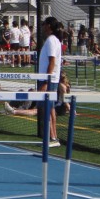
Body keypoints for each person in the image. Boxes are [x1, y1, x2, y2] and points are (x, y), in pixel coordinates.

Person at [36, 16, 62, 146]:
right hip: (49, 79)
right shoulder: (53, 40)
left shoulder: (52, 40)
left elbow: (52, 61)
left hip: (49, 79)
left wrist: (46, 80)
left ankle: (52, 138)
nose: (42, 27)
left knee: (46, 108)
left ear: (49, 26)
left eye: (44, 24)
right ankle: (53, 137)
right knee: (50, 108)